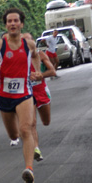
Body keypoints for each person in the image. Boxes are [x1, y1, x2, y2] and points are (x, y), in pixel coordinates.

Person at [0, 8, 42, 183]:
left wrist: (36, 71)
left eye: (16, 21)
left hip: (24, 93)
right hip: (4, 96)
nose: (12, 24)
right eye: (9, 21)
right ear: (6, 25)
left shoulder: (29, 44)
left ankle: (29, 169)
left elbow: (36, 56)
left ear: (21, 24)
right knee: (14, 134)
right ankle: (26, 158)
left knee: (26, 129)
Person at [23, 33, 57, 162]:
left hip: (41, 91)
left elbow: (52, 71)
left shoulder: (41, 55)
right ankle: (36, 149)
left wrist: (40, 75)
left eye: (28, 41)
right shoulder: (20, 58)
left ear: (33, 42)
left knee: (46, 122)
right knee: (32, 123)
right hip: (27, 93)